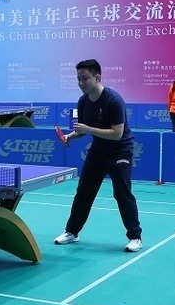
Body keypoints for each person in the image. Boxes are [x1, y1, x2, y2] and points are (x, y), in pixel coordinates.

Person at [55, 59, 142, 252]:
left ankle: (135, 236)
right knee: (84, 191)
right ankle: (72, 232)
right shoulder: (83, 101)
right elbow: (83, 130)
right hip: (98, 151)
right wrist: (70, 136)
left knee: (122, 193)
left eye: (85, 78)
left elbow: (117, 133)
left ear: (98, 78)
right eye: (78, 79)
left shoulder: (113, 100)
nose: (81, 83)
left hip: (120, 150)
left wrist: (88, 129)